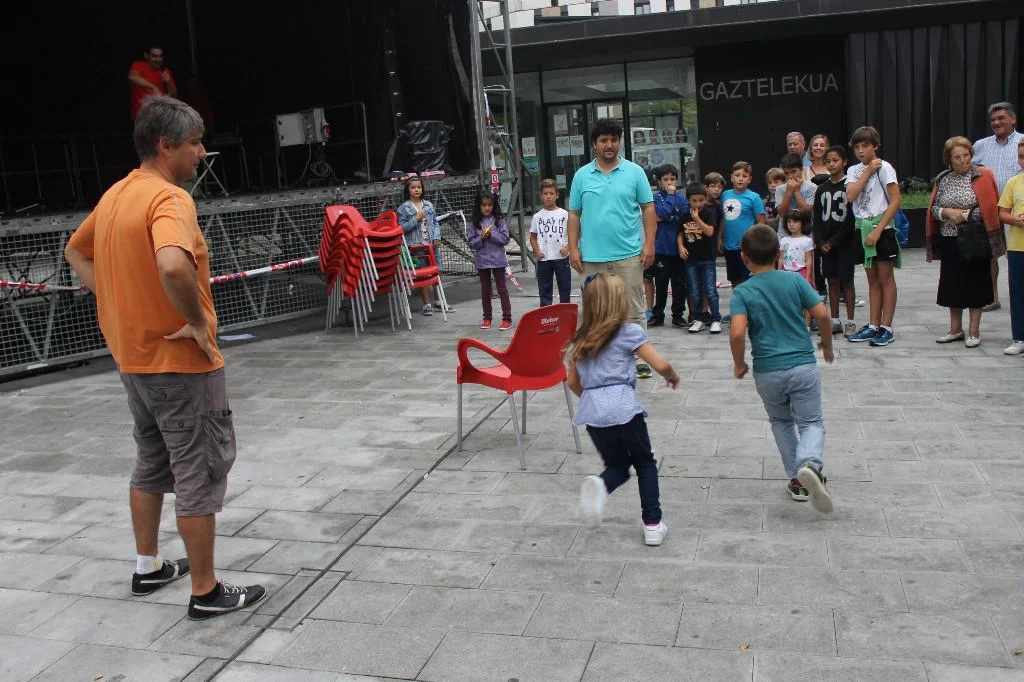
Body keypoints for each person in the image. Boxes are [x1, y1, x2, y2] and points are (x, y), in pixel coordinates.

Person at [63, 96, 266, 620]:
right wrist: (197, 322)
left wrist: (113, 300)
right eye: (195, 142)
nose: (201, 152)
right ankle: (206, 590)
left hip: (135, 361)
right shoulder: (169, 199)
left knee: (151, 462)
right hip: (182, 364)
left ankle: (148, 565)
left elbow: (75, 250)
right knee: (199, 469)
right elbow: (174, 265)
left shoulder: (116, 194)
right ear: (165, 145)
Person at [729, 225, 834, 513]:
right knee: (811, 423)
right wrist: (827, 345)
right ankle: (810, 463)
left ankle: (798, 480)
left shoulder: (743, 292)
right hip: (802, 366)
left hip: (767, 371)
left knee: (781, 421)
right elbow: (822, 315)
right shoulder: (795, 281)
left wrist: (739, 363)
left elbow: (737, 332)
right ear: (779, 254)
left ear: (744, 257)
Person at [569, 273, 679, 546]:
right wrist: (672, 376)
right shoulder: (629, 332)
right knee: (644, 462)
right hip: (625, 408)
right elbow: (660, 364)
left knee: (617, 466)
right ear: (620, 302)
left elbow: (572, 381)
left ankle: (601, 485)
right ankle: (652, 524)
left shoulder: (580, 338)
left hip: (593, 413)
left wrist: (593, 399)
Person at [568, 118, 658, 378]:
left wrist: (649, 244)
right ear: (594, 144)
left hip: (628, 255)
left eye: (614, 140)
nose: (609, 145)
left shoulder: (635, 172)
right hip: (592, 257)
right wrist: (573, 248)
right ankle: (596, 355)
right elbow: (574, 214)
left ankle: (639, 357)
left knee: (634, 309)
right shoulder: (582, 176)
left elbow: (648, 208)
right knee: (594, 310)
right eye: (604, 140)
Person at [925, 137, 1001, 348]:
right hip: (950, 238)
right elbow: (933, 208)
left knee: (976, 283)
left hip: (975, 238)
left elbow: (990, 208)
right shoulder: (943, 178)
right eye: (957, 157)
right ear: (949, 159)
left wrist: (963, 216)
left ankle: (974, 332)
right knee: (953, 283)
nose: (963, 160)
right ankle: (955, 329)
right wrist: (945, 212)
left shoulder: (983, 175)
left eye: (966, 155)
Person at [845, 126, 902, 347]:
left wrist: (879, 230)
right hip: (862, 226)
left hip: (882, 227)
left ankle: (886, 327)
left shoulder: (885, 167)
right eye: (857, 147)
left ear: (875, 146)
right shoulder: (854, 170)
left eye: (865, 145)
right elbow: (851, 195)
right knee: (872, 278)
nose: (861, 150)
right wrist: (867, 171)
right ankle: (873, 324)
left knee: (886, 277)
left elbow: (895, 200)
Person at [974, 102, 1022, 312]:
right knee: (990, 255)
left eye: (1001, 118)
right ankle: (992, 297)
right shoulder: (981, 145)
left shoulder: (1022, 143)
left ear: (1013, 119)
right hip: (989, 209)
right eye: (993, 119)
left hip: (1016, 210)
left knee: (1017, 255)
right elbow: (967, 169)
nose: (996, 122)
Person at [813, 145, 859, 337]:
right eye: (828, 161)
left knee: (847, 281)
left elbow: (850, 218)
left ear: (844, 162)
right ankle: (835, 320)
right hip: (826, 245)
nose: (831, 164)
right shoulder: (821, 189)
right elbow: (817, 217)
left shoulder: (849, 187)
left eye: (835, 160)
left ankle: (850, 321)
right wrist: (820, 241)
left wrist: (835, 240)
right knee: (831, 280)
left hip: (845, 243)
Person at [397, 176, 455, 316]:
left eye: (419, 187)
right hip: (416, 246)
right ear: (408, 190)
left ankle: (439, 300)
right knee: (422, 273)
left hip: (431, 245)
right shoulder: (403, 208)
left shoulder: (428, 205)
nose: (416, 190)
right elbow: (401, 228)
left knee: (437, 271)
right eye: (413, 187)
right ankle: (427, 304)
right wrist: (416, 219)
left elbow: (435, 222)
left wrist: (437, 237)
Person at [648, 164, 688, 327]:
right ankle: (658, 315)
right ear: (659, 181)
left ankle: (678, 315)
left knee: (679, 285)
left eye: (672, 179)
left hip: (678, 249)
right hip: (662, 249)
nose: (669, 182)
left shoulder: (682, 198)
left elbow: (683, 218)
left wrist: (669, 217)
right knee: (661, 284)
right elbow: (661, 213)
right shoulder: (656, 198)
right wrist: (670, 209)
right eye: (665, 179)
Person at [468, 190, 513, 330]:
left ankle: (507, 318)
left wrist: (491, 234)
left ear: (494, 205)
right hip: (482, 261)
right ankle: (487, 318)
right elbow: (472, 243)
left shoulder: (499, 220)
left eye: (490, 205)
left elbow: (505, 239)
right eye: (484, 205)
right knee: (485, 290)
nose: (487, 208)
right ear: (479, 206)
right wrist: (481, 237)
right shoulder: (474, 222)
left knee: (502, 289)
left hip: (498, 260)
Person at [719, 161, 766, 291]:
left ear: (749, 179)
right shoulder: (725, 195)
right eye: (737, 175)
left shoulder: (754, 198)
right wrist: (719, 238)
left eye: (744, 176)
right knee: (734, 279)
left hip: (746, 247)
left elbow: (761, 222)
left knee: (748, 280)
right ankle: (737, 302)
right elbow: (722, 218)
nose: (740, 178)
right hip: (729, 246)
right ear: (731, 177)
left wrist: (752, 240)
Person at [681, 182, 721, 333]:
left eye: (701, 200)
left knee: (710, 290)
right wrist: (680, 247)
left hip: (707, 259)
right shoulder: (684, 215)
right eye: (694, 200)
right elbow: (680, 233)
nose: (697, 204)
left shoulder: (709, 213)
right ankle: (698, 319)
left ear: (705, 199)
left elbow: (710, 231)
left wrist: (696, 218)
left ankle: (715, 319)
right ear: (688, 200)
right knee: (694, 290)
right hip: (691, 259)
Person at [997, 139, 1024, 355]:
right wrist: (1014, 219)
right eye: (1021, 157)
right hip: (1017, 246)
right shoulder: (1014, 182)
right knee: (1017, 293)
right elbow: (1002, 212)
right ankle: (1019, 338)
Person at [529, 178, 571, 307]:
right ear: (541, 196)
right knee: (544, 290)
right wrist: (536, 250)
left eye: (551, 193)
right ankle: (546, 314)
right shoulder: (537, 217)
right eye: (545, 193)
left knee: (565, 288)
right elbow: (533, 237)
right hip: (544, 258)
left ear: (557, 195)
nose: (548, 196)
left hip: (561, 257)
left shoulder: (565, 214)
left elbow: (574, 234)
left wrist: (568, 247)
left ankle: (565, 312)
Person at [128, 45, 178, 121]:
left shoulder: (165, 71)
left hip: (161, 116)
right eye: (154, 56)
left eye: (160, 56)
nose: (158, 59)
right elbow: (132, 77)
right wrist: (153, 87)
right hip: (142, 117)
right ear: (146, 55)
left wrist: (168, 82)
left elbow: (174, 96)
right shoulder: (138, 65)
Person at [779, 210, 815, 287]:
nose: (791, 224)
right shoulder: (784, 240)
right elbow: (781, 259)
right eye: (789, 221)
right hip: (785, 272)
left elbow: (809, 260)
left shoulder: (807, 241)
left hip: (801, 273)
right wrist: (779, 273)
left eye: (795, 221)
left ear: (803, 223)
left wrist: (808, 276)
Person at [764, 167, 786, 233]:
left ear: (784, 183)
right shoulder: (764, 202)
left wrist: (764, 221)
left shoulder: (786, 201)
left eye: (776, 182)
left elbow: (778, 222)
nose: (772, 185)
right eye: (770, 182)